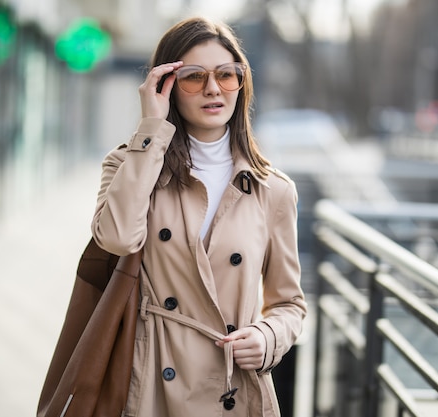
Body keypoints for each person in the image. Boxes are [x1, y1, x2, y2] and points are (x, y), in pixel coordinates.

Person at [91, 16, 307, 417]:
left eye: (227, 75)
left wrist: (267, 337)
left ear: (241, 84)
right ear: (166, 86)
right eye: (193, 77)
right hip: (152, 381)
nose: (213, 89)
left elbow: (289, 304)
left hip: (232, 386)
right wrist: (151, 127)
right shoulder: (129, 164)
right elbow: (117, 238)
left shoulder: (272, 189)